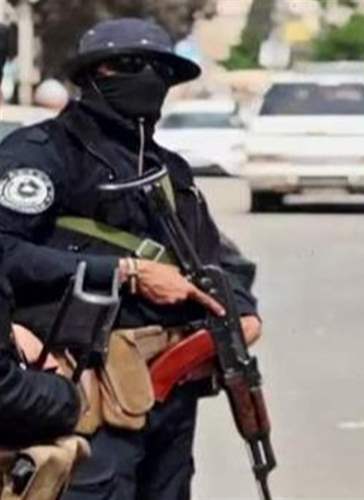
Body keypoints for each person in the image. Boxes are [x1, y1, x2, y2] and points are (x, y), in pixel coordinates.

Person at [0, 18, 261, 499]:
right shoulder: (41, 155)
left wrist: (242, 309)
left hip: (170, 390)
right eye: (128, 65)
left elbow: (218, 257)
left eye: (160, 69)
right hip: (86, 384)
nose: (147, 78)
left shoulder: (169, 170)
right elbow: (6, 249)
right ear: (91, 74)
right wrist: (125, 273)